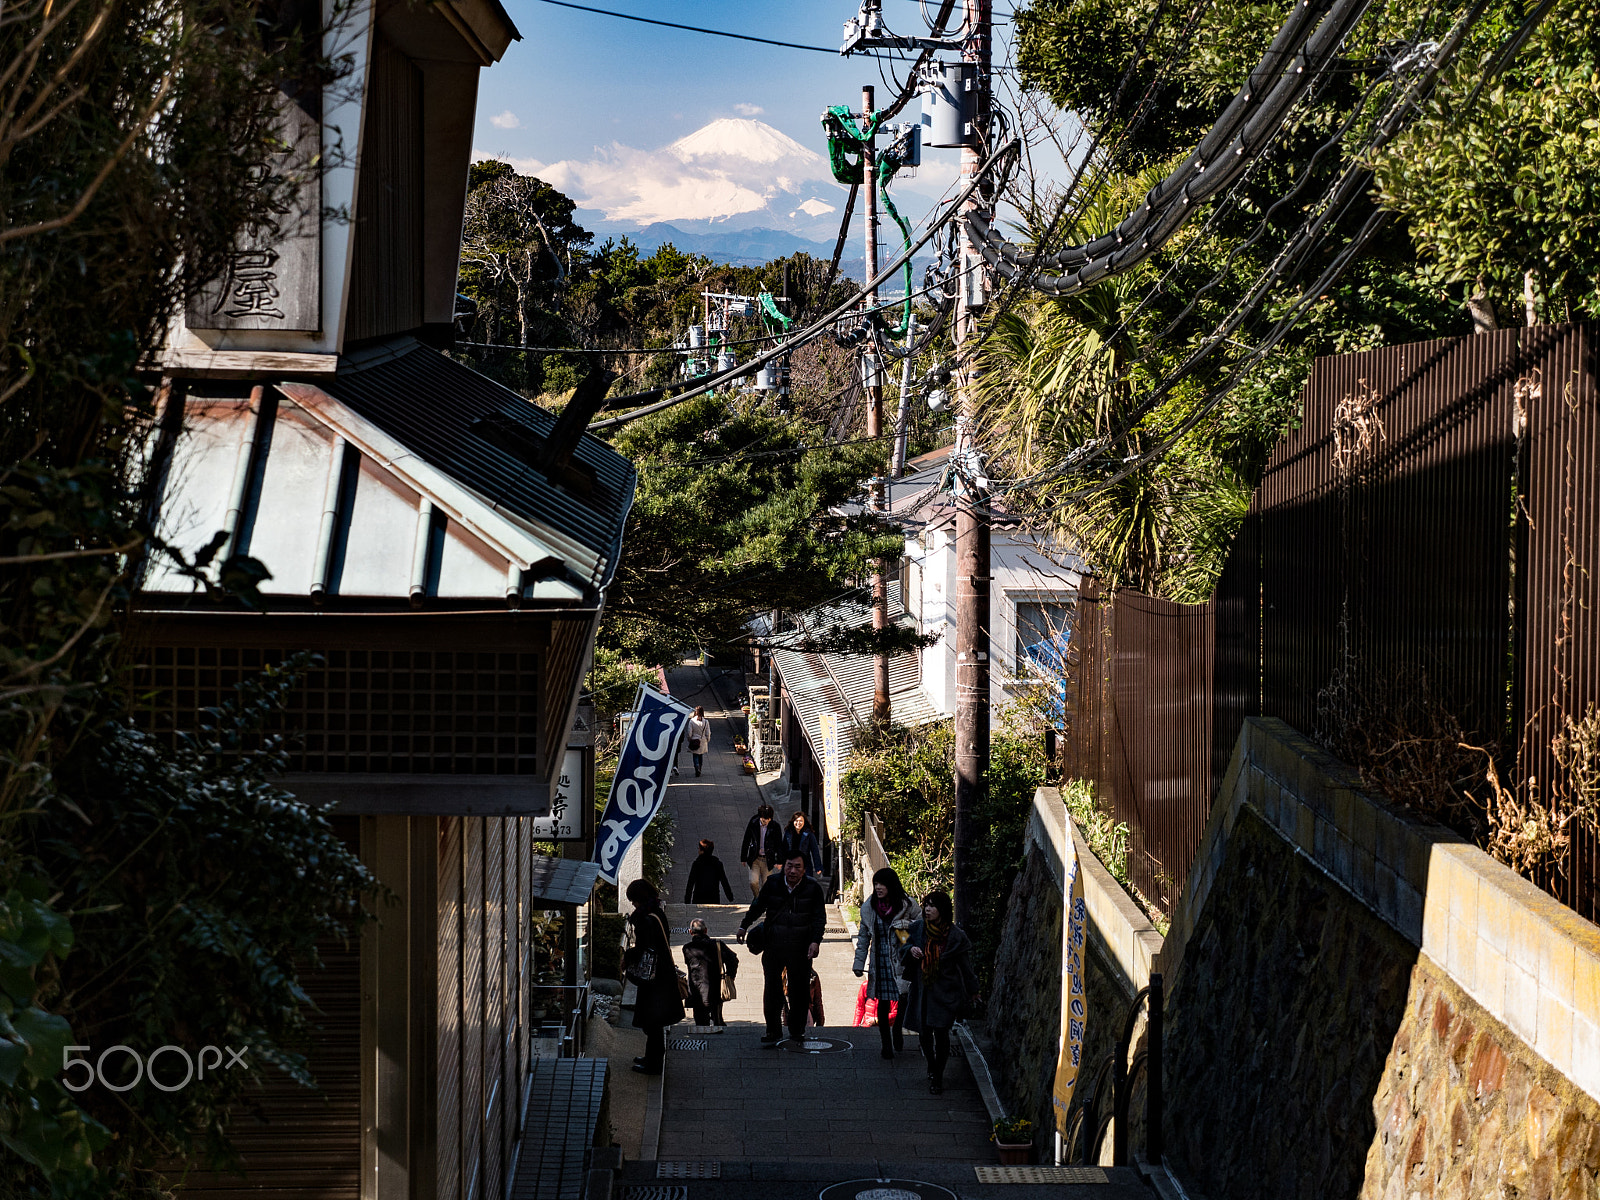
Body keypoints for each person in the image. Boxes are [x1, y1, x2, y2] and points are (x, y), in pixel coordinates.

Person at [736, 852, 825, 1045]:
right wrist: (744, 925)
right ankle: (773, 1031)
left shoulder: (813, 888)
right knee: (772, 990)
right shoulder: (773, 884)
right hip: (774, 945)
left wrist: (815, 941)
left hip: (800, 948)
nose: (792, 871)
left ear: (804, 869)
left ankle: (797, 1031)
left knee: (799, 992)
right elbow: (758, 906)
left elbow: (819, 918)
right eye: (789, 866)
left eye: (797, 867)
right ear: (784, 866)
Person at [901, 890, 980, 1094]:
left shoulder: (955, 937)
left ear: (942, 910)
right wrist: (910, 950)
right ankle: (931, 1065)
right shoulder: (918, 928)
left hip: (945, 992)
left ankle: (938, 1074)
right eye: (926, 904)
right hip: (922, 991)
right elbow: (902, 942)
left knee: (942, 1033)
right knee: (925, 1033)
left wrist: (973, 991)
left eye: (932, 906)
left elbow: (965, 967)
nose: (927, 909)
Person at [852, 866, 917, 1059]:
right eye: (876, 884)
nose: (878, 887)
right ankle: (885, 1043)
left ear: (891, 885)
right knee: (882, 1001)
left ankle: (897, 1028)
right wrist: (858, 963)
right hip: (879, 960)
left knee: (903, 997)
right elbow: (863, 937)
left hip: (900, 959)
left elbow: (921, 925)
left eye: (882, 884)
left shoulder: (906, 904)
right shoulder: (869, 907)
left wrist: (904, 927)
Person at [623, 879, 684, 1075]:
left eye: (633, 900)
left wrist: (626, 957)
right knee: (654, 1021)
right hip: (662, 974)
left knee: (652, 1021)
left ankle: (653, 1063)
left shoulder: (645, 920)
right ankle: (651, 1058)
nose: (633, 904)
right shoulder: (657, 913)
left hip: (653, 978)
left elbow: (643, 949)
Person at [680, 918, 737, 1030]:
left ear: (691, 932)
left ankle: (703, 1039)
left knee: (700, 1022)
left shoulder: (687, 948)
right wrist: (730, 976)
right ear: (705, 931)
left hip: (696, 989)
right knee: (718, 1019)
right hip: (715, 987)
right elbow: (733, 960)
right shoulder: (717, 945)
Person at [739, 803, 784, 896]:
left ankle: (762, 902)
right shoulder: (753, 823)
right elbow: (746, 839)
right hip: (755, 858)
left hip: (767, 860)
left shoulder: (775, 826)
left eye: (768, 819)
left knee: (766, 884)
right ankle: (757, 898)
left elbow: (779, 844)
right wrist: (743, 857)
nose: (766, 821)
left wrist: (779, 860)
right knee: (753, 882)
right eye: (764, 819)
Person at [683, 838, 736, 903]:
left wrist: (687, 900)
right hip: (714, 898)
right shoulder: (717, 864)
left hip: (699, 898)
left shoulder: (696, 864)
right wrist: (730, 897)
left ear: (702, 851)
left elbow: (690, 883)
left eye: (699, 848)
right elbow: (724, 881)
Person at [783, 810, 824, 877]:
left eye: (801, 821)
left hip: (804, 864)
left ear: (804, 822)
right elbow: (784, 848)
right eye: (796, 821)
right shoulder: (788, 833)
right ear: (793, 822)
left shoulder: (809, 834)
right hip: (791, 862)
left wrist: (818, 866)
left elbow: (815, 850)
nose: (798, 823)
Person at [684, 705, 713, 777]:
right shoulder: (706, 722)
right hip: (702, 740)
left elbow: (689, 732)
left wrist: (689, 739)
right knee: (701, 755)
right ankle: (700, 767)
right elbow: (708, 732)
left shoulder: (692, 721)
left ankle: (696, 767)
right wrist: (707, 739)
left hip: (694, 740)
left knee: (695, 755)